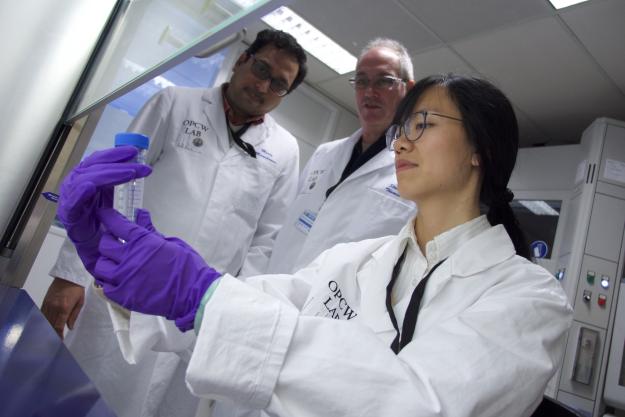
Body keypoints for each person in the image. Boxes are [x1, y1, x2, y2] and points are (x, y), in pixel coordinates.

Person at [57, 73, 573, 417]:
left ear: (480, 149)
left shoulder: (527, 300)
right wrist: (116, 258)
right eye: (401, 128)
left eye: (423, 124)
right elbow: (240, 311)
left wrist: (204, 295)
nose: (401, 142)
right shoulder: (354, 260)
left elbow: (421, 403)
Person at [42, 28, 307, 417]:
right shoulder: (174, 104)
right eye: (261, 68)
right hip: (125, 291)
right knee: (86, 394)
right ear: (242, 61)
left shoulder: (284, 150)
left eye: (278, 84)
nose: (263, 85)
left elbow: (265, 241)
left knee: (165, 405)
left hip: (200, 310)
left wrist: (234, 312)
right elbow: (107, 188)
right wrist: (69, 276)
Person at [266, 38, 416, 274]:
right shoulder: (324, 154)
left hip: (330, 305)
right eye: (362, 81)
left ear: (408, 90)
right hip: (273, 286)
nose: (369, 92)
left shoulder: (415, 170)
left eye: (384, 81)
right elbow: (283, 227)